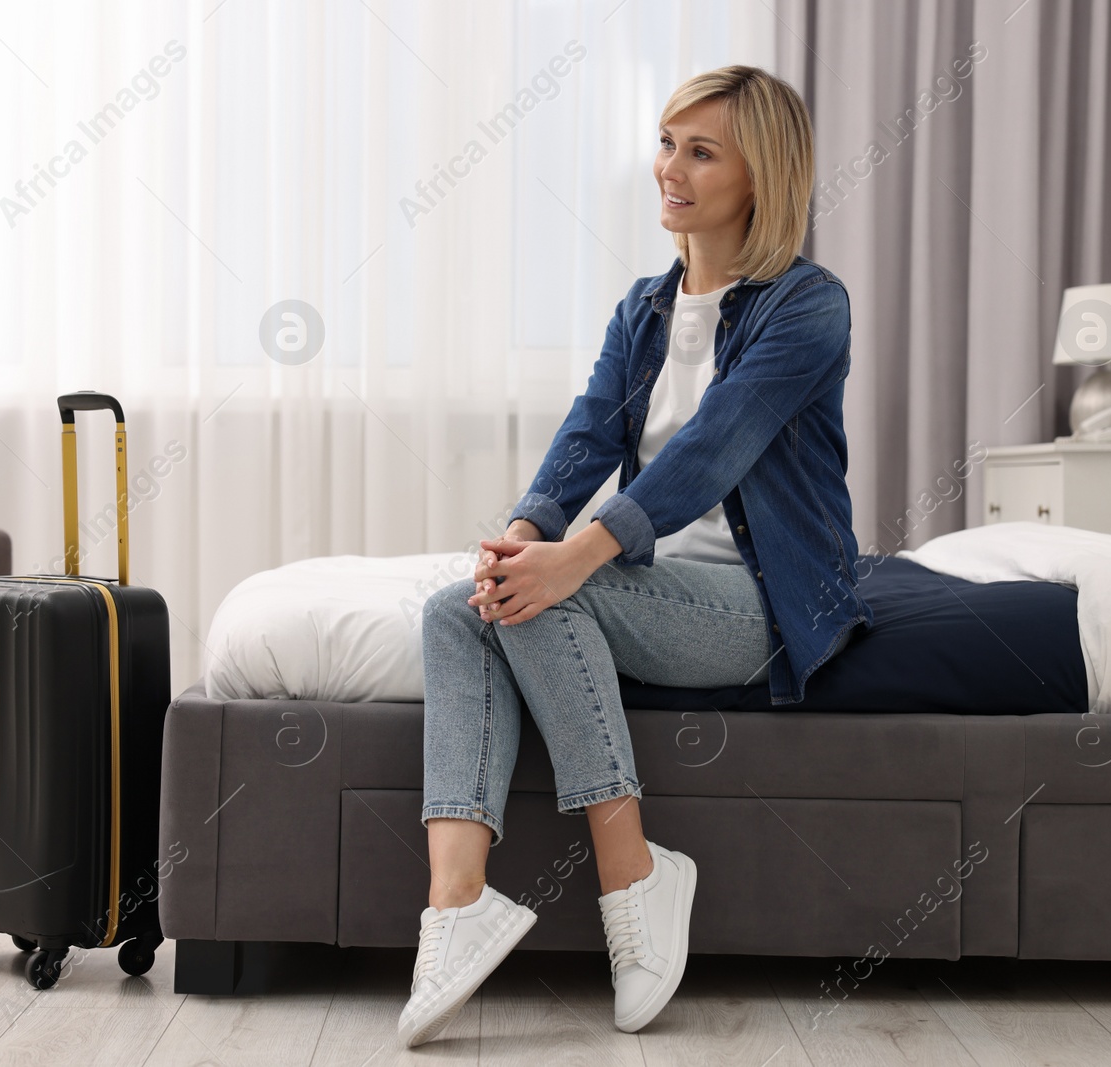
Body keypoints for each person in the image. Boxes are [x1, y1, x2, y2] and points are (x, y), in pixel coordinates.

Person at [399, 64, 872, 1047]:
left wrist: (575, 559)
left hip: (762, 601)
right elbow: (585, 440)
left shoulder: (807, 306)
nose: (671, 167)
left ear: (761, 176)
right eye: (666, 142)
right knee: (459, 605)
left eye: (701, 151)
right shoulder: (641, 310)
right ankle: (455, 903)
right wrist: (524, 539)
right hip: (654, 582)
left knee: (549, 598)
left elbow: (715, 447)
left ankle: (633, 872)